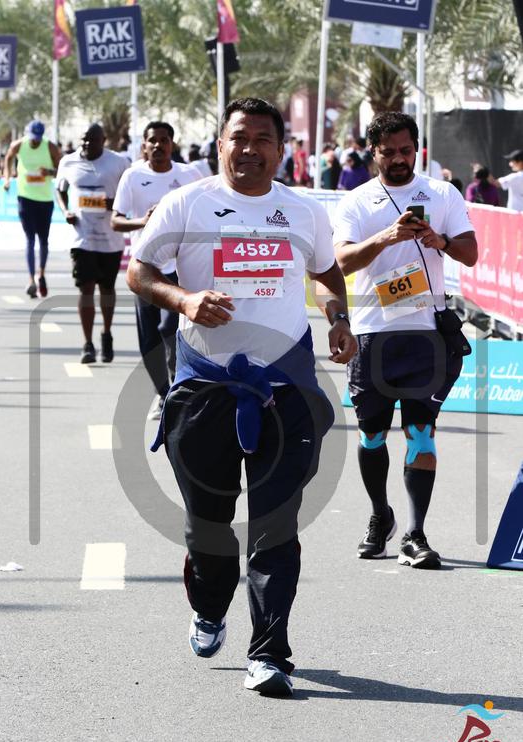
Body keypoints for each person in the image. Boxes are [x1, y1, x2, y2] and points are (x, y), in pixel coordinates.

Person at [128, 97, 357, 696]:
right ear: (220, 144)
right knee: (209, 529)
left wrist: (338, 318)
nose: (250, 149)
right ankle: (209, 605)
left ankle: (270, 653)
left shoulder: (303, 211)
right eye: (239, 138)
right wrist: (184, 300)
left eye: (262, 139)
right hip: (205, 389)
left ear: (281, 150)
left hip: (285, 390)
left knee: (275, 526)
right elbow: (140, 272)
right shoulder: (186, 203)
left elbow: (327, 274)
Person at [333, 111, 477, 570]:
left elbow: (471, 253)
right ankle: (381, 516)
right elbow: (341, 263)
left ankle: (415, 534)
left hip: (425, 336)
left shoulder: (442, 193)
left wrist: (440, 241)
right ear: (372, 152)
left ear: (417, 149)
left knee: (421, 433)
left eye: (406, 150)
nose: (399, 159)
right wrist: (387, 237)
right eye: (388, 152)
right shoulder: (356, 202)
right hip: (373, 334)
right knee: (372, 436)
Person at [111, 121, 203, 419]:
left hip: (178, 265)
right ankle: (163, 393)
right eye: (152, 140)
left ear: (172, 144)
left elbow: (205, 209)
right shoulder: (133, 176)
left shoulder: (188, 175)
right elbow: (115, 220)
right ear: (144, 146)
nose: (158, 145)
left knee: (170, 327)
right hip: (145, 267)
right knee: (149, 337)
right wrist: (143, 221)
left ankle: (178, 389)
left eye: (164, 140)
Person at [56, 123, 129, 363]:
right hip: (82, 237)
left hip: (110, 239)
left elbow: (129, 193)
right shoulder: (68, 162)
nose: (87, 144)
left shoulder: (118, 163)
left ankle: (106, 334)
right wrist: (66, 211)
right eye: (84, 140)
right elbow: (60, 190)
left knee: (106, 289)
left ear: (103, 140)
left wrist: (115, 204)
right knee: (85, 288)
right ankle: (87, 344)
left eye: (93, 140)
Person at [3, 120, 61, 298]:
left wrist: (49, 172)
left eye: (38, 138)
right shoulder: (18, 145)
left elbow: (61, 170)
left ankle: (41, 274)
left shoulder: (50, 147)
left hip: (45, 200)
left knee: (43, 240)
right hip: (25, 198)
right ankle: (31, 280)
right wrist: (7, 178)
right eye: (32, 138)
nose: (35, 141)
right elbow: (8, 158)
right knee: (30, 239)